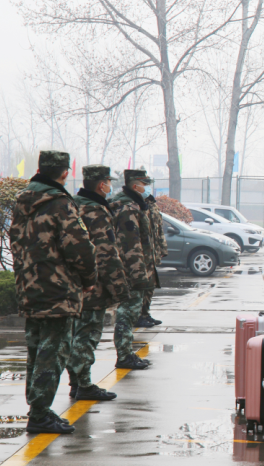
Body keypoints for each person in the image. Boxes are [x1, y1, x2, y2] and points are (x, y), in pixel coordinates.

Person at [10, 151, 97, 434]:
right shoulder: (60, 203)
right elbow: (80, 247)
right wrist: (88, 279)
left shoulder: (23, 201)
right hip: (58, 289)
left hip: (30, 287)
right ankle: (39, 414)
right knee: (54, 351)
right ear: (64, 172)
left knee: (37, 350)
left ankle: (39, 409)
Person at [68, 165, 129, 401]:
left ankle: (77, 383)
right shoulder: (96, 210)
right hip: (93, 285)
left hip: (73, 282)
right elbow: (106, 253)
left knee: (77, 334)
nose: (109, 185)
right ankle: (83, 385)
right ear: (100, 184)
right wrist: (119, 287)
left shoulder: (73, 204)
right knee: (87, 336)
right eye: (107, 181)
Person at [110, 170, 157, 371]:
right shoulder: (127, 206)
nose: (145, 187)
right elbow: (130, 244)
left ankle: (126, 353)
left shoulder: (134, 203)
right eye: (142, 183)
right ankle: (124, 355)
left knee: (129, 311)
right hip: (131, 269)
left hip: (133, 267)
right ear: (133, 184)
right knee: (127, 312)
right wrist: (138, 275)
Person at [136, 181, 167, 328]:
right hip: (140, 254)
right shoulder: (133, 205)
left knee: (150, 286)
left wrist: (161, 249)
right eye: (145, 184)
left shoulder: (151, 203)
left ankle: (145, 313)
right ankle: (138, 315)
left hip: (151, 253)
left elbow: (158, 229)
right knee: (141, 286)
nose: (147, 188)